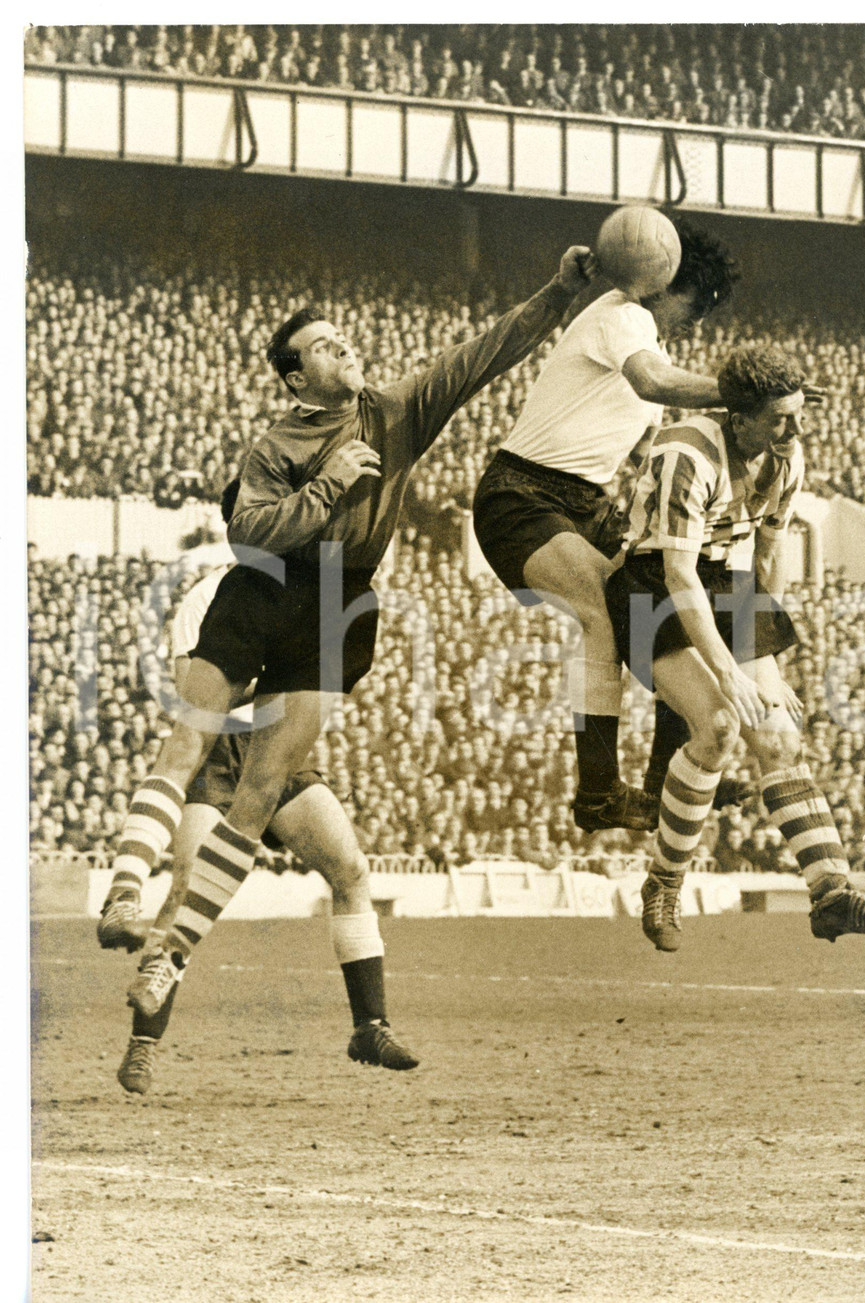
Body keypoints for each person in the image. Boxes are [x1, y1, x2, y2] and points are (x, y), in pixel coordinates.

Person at [98, 244, 596, 1016]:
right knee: (188, 738)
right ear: (297, 378)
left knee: (262, 792)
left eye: (344, 337)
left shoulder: (395, 411)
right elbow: (252, 536)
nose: (346, 346)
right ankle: (125, 891)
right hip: (265, 589)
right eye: (325, 345)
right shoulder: (274, 446)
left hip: (341, 603)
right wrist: (330, 488)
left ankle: (168, 956)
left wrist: (559, 293)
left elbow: (481, 355)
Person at [603, 343, 865, 950]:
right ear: (737, 418)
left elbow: (767, 555)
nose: (795, 429)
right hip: (650, 587)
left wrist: (765, 663)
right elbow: (677, 576)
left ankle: (831, 893)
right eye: (781, 418)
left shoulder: (785, 458)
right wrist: (730, 674)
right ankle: (664, 882)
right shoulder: (685, 453)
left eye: (798, 415)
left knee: (777, 735)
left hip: (727, 583)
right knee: (719, 725)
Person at [117, 481, 418, 1094]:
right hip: (222, 755)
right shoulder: (213, 595)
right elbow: (194, 694)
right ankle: (144, 1044)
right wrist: (280, 680)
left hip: (278, 753)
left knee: (351, 869)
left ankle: (370, 1025)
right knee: (186, 890)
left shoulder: (310, 594)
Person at [473, 217, 746, 835]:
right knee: (603, 609)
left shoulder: (644, 341)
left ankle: (662, 777)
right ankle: (596, 793)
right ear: (667, 283)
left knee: (663, 600)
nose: (697, 322)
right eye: (696, 305)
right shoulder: (625, 316)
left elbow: (650, 444)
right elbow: (653, 382)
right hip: (521, 494)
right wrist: (745, 393)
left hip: (584, 503)